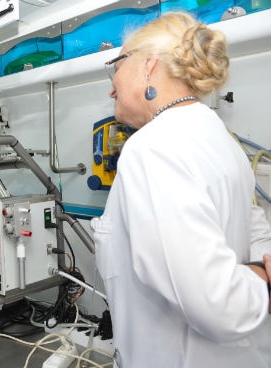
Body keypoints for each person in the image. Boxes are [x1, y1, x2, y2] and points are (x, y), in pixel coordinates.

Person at [91, 11, 271, 368]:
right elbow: (257, 237)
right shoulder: (222, 140)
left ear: (149, 67)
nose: (111, 86)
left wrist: (261, 276)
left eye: (117, 67)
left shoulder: (154, 146)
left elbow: (215, 301)